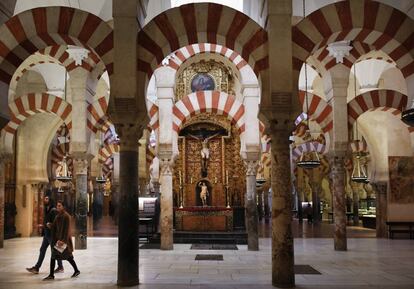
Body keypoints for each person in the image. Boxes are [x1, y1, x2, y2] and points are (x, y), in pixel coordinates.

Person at [26, 195, 64, 274]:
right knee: (42, 250)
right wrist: (43, 225)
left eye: (47, 198)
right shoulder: (47, 209)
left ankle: (60, 267)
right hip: (47, 235)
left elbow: (55, 223)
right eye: (45, 198)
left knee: (56, 250)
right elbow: (47, 222)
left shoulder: (53, 210)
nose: (45, 200)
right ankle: (37, 268)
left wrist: (49, 225)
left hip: (51, 235)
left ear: (50, 199)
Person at [43, 201, 80, 280]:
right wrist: (50, 225)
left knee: (63, 256)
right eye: (57, 206)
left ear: (63, 207)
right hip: (59, 240)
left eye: (59, 206)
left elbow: (67, 230)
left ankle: (51, 275)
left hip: (63, 241)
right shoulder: (58, 216)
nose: (58, 207)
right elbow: (55, 226)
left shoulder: (66, 216)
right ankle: (76, 270)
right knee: (65, 256)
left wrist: (63, 241)